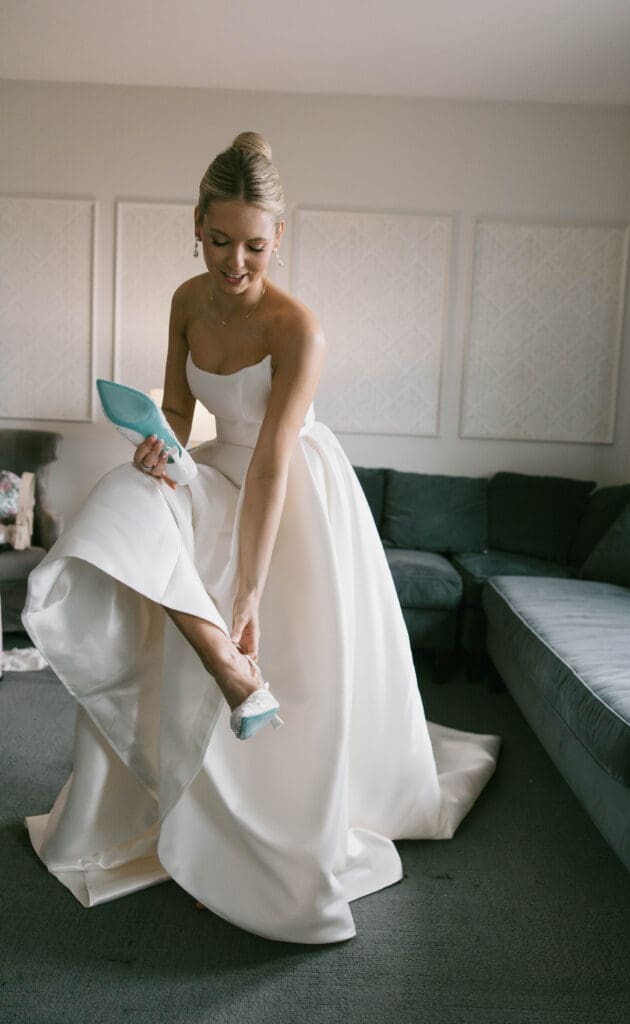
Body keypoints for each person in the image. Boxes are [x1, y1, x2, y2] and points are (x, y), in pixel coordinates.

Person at [23, 132, 499, 943]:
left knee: (280, 642)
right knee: (122, 499)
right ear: (196, 225)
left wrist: (248, 586)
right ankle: (226, 668)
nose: (234, 264)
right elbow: (177, 410)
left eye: (253, 245)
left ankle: (248, 807)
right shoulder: (184, 298)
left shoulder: (297, 327)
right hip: (211, 467)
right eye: (218, 241)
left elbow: (275, 460)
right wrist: (157, 442)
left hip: (290, 490)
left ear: (278, 237)